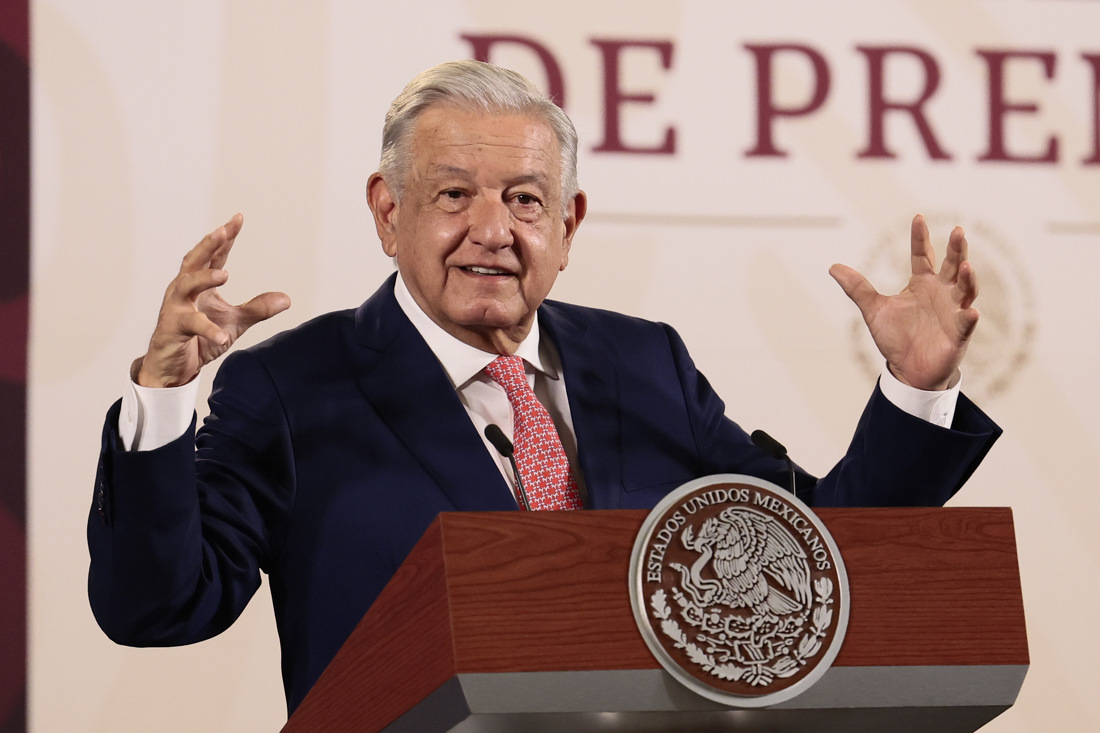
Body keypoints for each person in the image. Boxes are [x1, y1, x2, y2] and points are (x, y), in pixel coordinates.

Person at [88, 60, 1000, 715]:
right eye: (453, 195)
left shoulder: (648, 365)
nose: (492, 229)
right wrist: (163, 400)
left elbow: (808, 560)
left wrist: (915, 391)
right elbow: (159, 604)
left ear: (568, 225)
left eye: (525, 200)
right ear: (387, 211)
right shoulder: (291, 386)